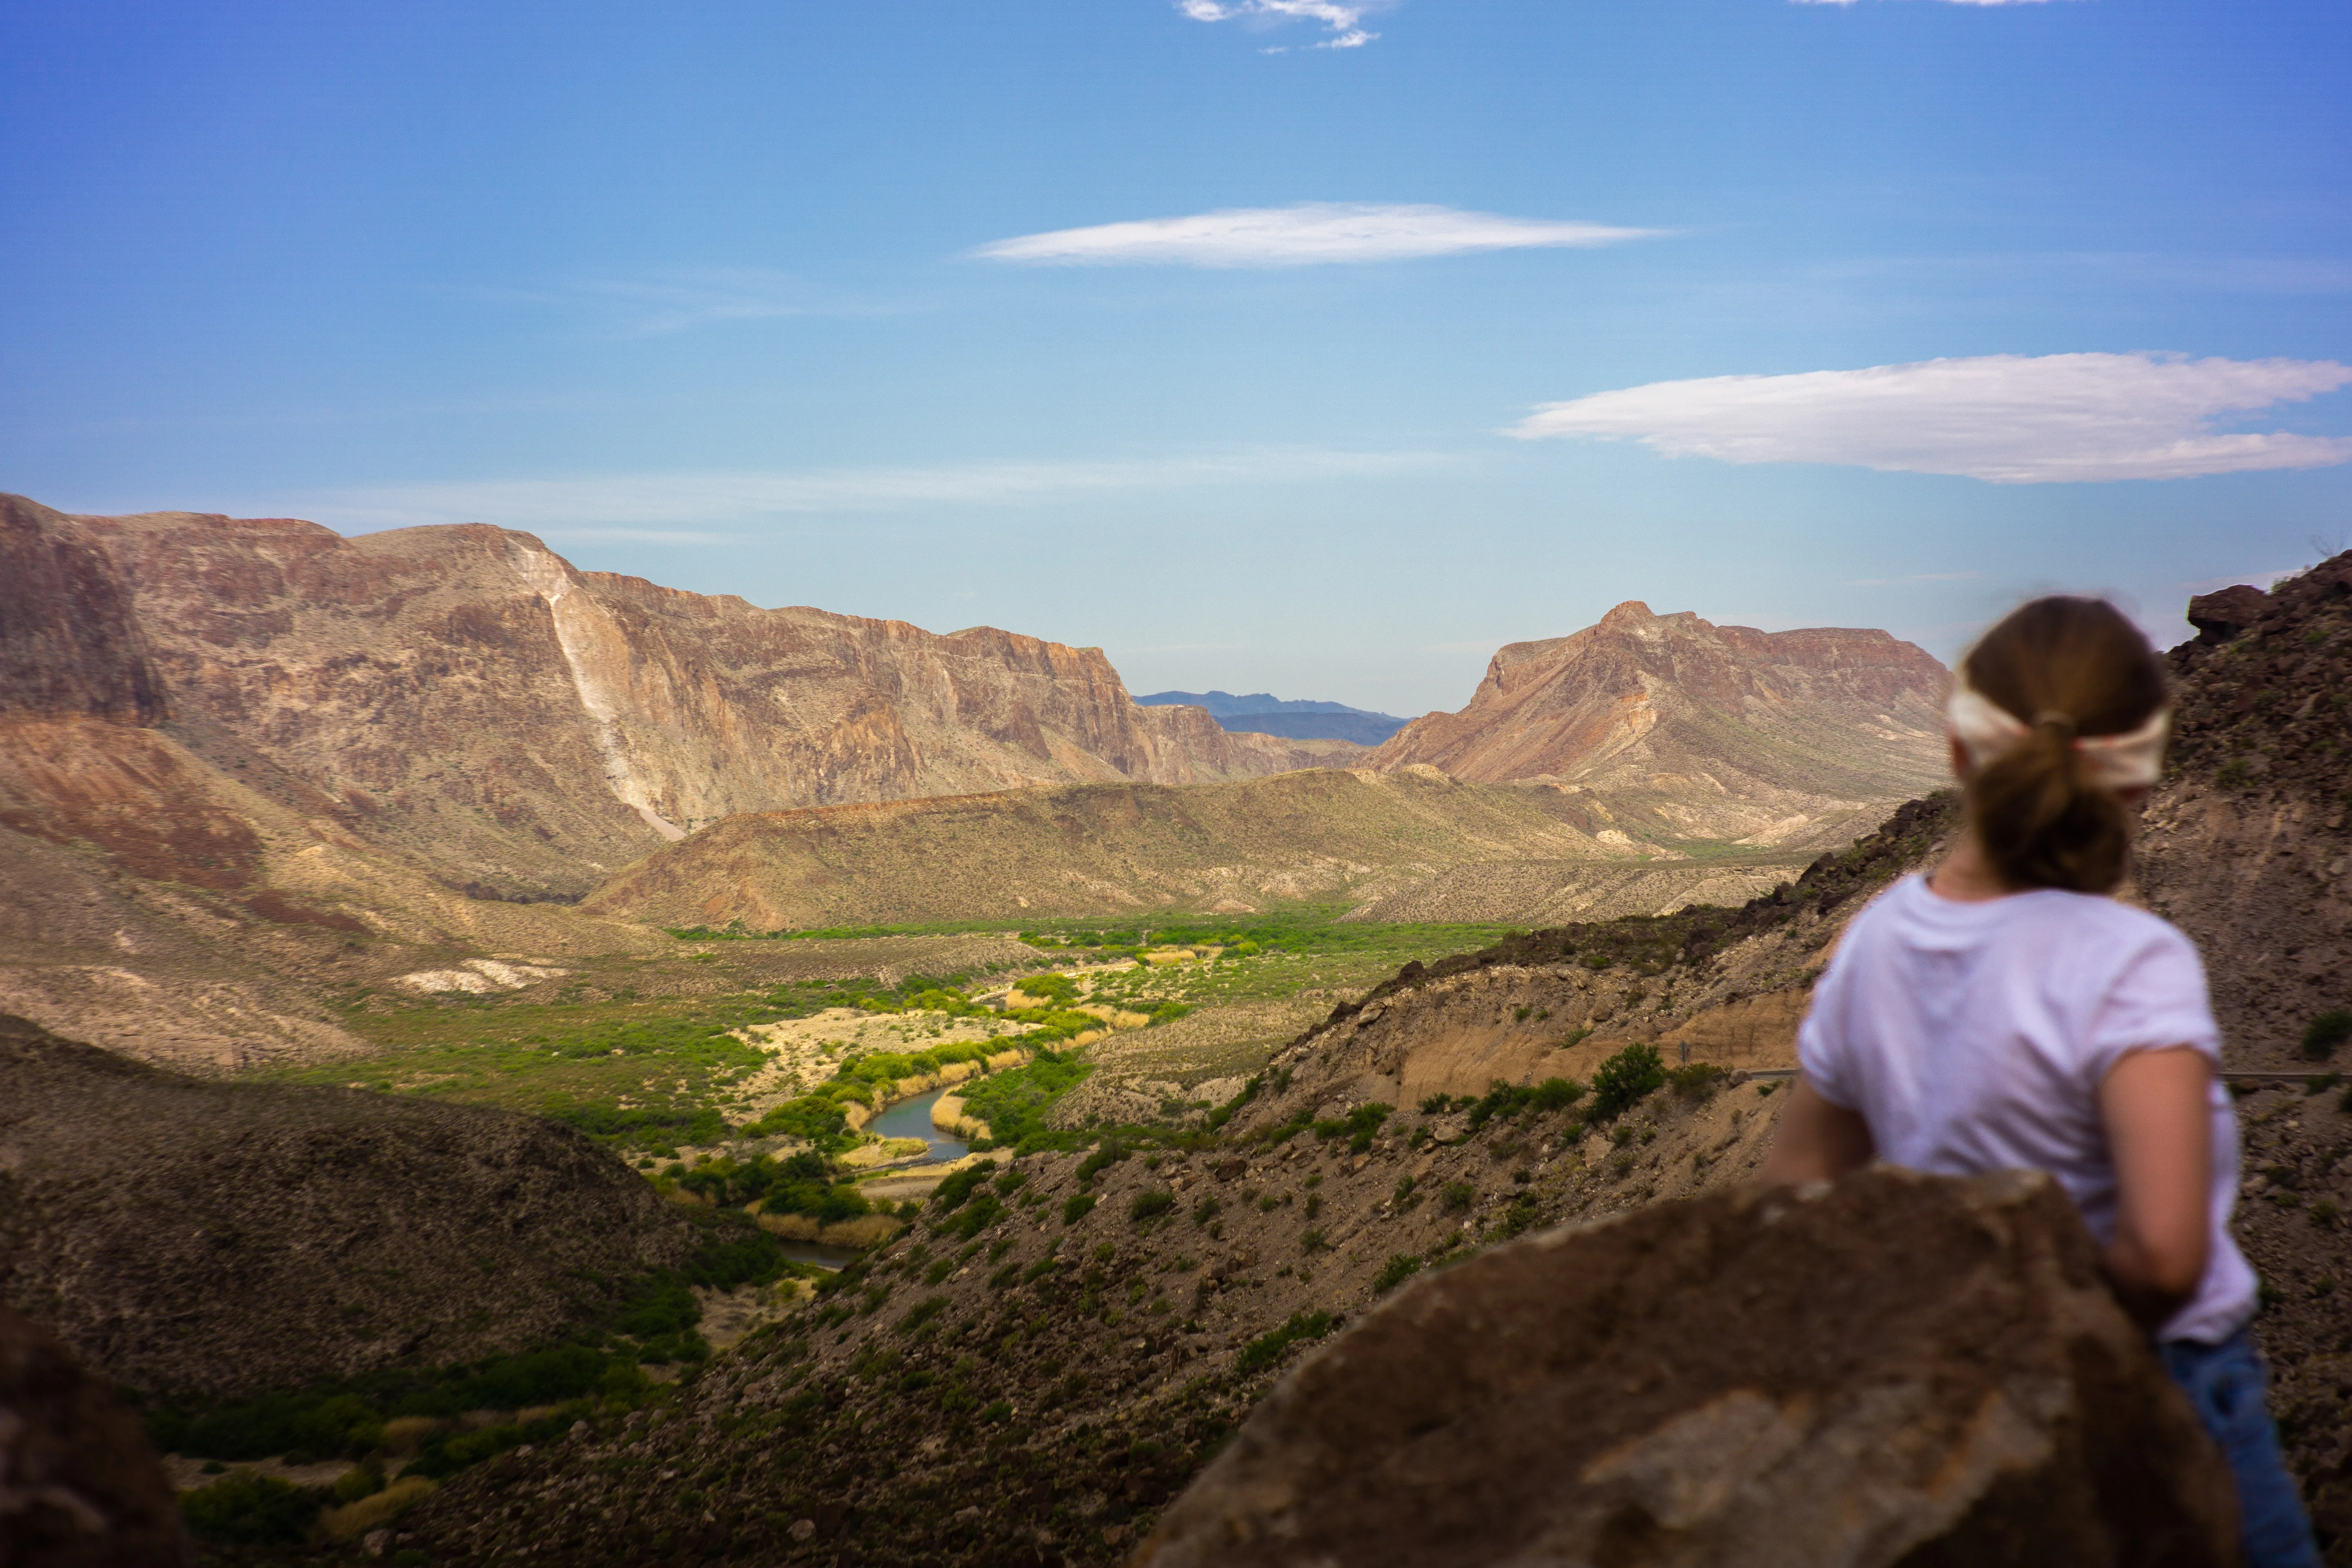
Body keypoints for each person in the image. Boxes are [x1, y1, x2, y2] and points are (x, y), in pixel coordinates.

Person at [1759, 595, 2318, 1568]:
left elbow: (1796, 1190)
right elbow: (2160, 1257)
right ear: (2139, 775)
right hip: (2159, 1390)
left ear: (1954, 749)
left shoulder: (1874, 939)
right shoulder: (2129, 960)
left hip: (1950, 1399)